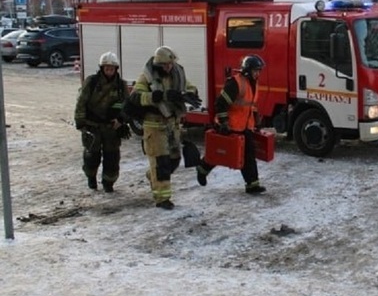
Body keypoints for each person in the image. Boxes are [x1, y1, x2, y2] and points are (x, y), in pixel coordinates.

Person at [130, 46, 198, 210]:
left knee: (174, 160)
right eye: (166, 65)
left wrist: (188, 93)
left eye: (171, 64)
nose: (169, 67)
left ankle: (153, 176)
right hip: (154, 125)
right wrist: (156, 96)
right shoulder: (147, 77)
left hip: (172, 125)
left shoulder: (177, 73)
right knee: (161, 163)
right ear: (158, 65)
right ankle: (162, 199)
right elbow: (136, 97)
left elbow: (190, 86)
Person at [196, 55, 267, 195]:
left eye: (259, 70)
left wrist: (256, 121)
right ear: (247, 70)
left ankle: (252, 185)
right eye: (256, 70)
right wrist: (224, 123)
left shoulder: (253, 83)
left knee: (248, 155)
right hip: (230, 126)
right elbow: (220, 104)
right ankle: (202, 169)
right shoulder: (235, 83)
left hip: (245, 127)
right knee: (220, 154)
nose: (258, 73)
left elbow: (250, 106)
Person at [74, 51, 131, 193]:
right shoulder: (91, 82)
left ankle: (108, 183)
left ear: (116, 69)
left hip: (111, 128)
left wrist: (122, 120)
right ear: (102, 68)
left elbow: (127, 106)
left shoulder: (121, 86)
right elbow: (81, 102)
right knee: (91, 156)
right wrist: (80, 121)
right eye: (107, 68)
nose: (109, 71)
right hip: (92, 126)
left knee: (112, 158)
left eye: (112, 69)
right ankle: (91, 177)